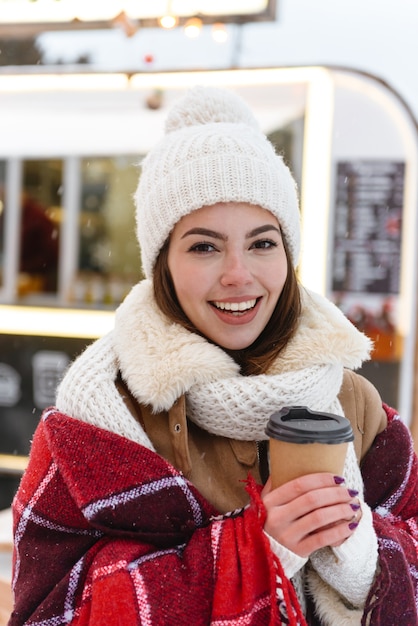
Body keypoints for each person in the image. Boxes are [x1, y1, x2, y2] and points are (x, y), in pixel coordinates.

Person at [9, 87, 418, 626]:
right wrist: (255, 551)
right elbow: (46, 612)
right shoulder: (98, 422)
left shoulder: (352, 403)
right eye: (204, 246)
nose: (238, 274)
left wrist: (363, 555)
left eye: (263, 243)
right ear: (163, 265)